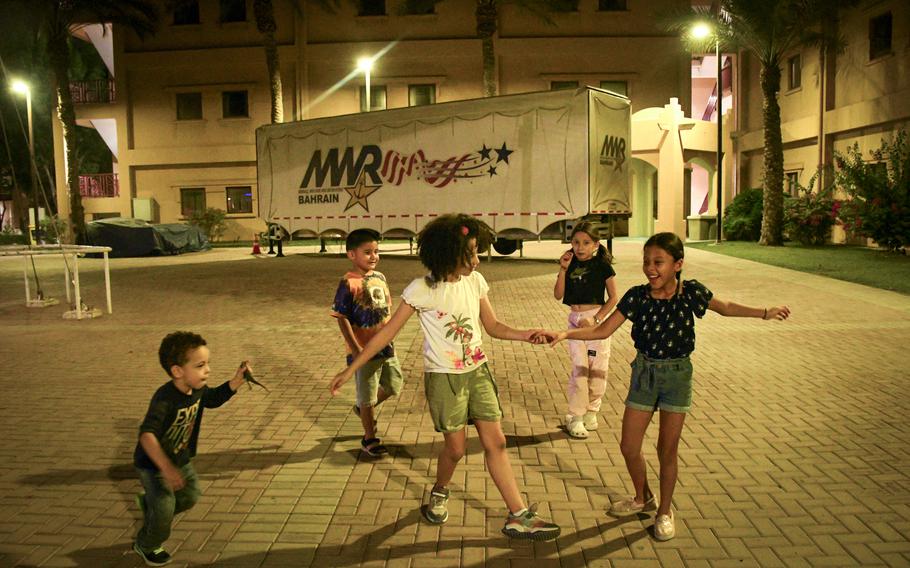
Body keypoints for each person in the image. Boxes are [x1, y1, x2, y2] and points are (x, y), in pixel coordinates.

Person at [539, 232, 790, 541]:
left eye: (658, 262)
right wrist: (563, 335)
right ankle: (643, 497)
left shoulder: (691, 293)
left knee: (666, 450)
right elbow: (603, 330)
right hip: (644, 373)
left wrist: (764, 313)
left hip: (677, 376)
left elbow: (724, 306)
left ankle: (664, 512)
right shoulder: (637, 296)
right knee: (629, 446)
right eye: (646, 262)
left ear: (678, 264)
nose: (650, 269)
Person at [329, 214, 561, 541]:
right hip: (444, 379)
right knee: (455, 450)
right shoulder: (422, 289)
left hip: (477, 372)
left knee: (496, 442)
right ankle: (440, 490)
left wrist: (528, 335)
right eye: (470, 254)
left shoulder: (475, 282)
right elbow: (385, 336)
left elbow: (493, 327)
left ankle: (518, 515)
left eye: (477, 252)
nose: (477, 260)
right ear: (447, 254)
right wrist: (351, 368)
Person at [133, 332, 251, 566]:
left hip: (181, 458)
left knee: (189, 496)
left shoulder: (197, 389)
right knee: (165, 509)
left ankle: (149, 505)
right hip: (154, 465)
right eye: (200, 365)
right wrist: (166, 468)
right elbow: (147, 436)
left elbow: (214, 398)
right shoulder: (165, 399)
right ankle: (147, 544)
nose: (207, 370)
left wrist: (237, 381)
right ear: (178, 371)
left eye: (207, 363)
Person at [331, 228, 404, 457]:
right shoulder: (347, 283)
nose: (373, 256)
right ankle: (369, 438)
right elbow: (341, 318)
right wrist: (355, 349)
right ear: (351, 255)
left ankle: (362, 409)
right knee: (367, 395)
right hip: (363, 351)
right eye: (367, 252)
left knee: (394, 385)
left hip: (385, 347)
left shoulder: (380, 277)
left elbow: (386, 311)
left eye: (376, 251)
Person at [553, 221, 618, 439]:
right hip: (574, 322)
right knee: (580, 369)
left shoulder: (603, 267)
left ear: (596, 245)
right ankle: (575, 416)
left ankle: (592, 411)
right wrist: (562, 269)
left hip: (596, 323)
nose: (580, 247)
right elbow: (558, 295)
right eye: (576, 242)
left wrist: (597, 319)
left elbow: (614, 298)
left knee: (598, 369)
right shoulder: (569, 264)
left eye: (586, 243)